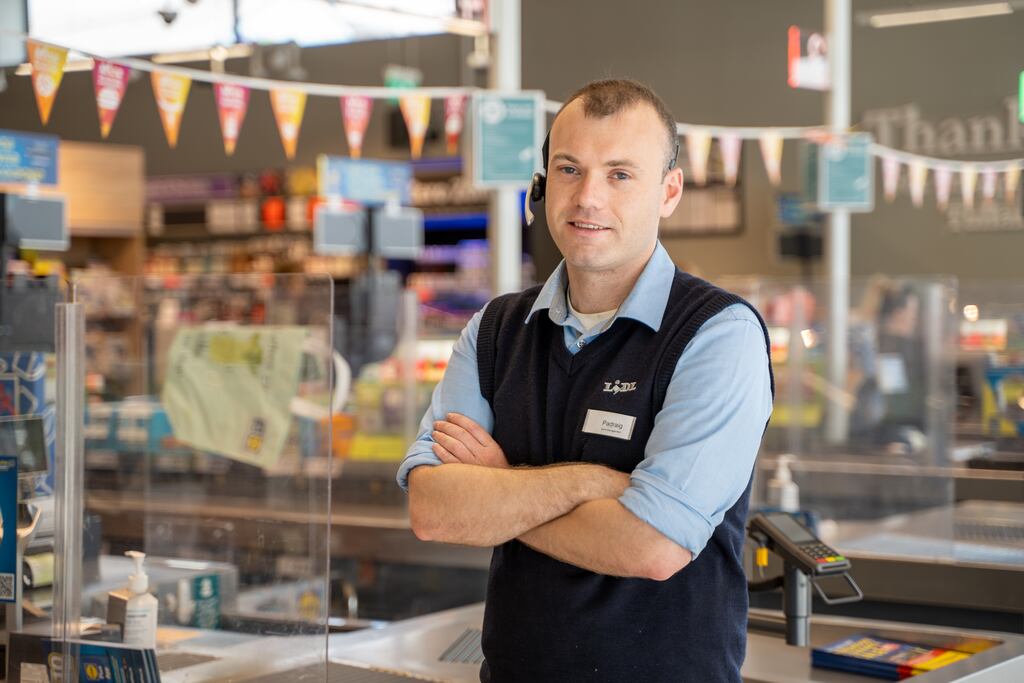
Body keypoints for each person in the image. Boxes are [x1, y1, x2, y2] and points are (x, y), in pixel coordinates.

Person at [397, 79, 774, 682]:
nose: (588, 198)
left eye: (620, 174)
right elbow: (434, 509)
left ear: (669, 191)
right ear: (543, 182)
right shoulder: (496, 331)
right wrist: (587, 484)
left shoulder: (717, 334)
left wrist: (500, 485)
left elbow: (653, 546)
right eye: (569, 169)